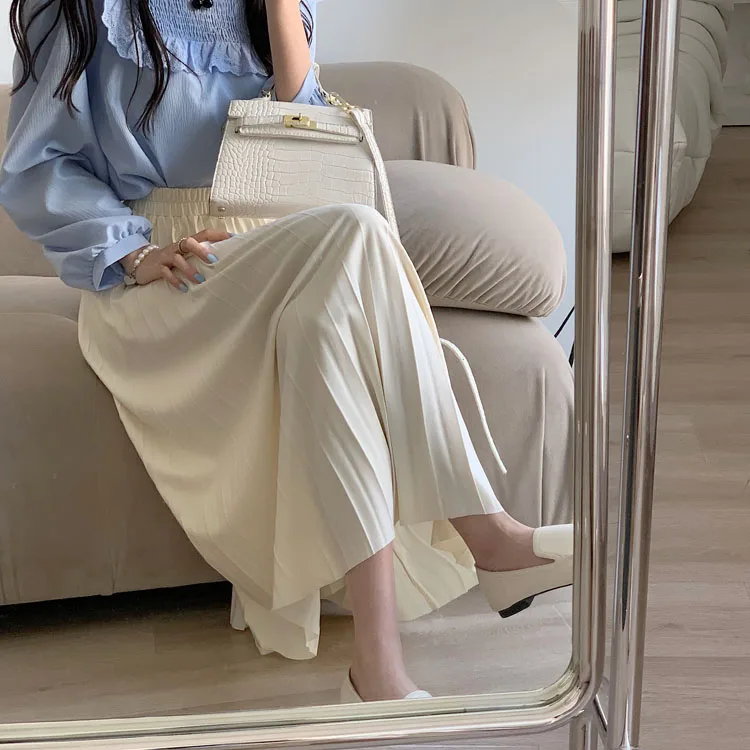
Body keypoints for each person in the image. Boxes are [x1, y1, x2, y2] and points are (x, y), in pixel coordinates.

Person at [0, 0, 574, 703]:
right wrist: (133, 253)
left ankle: (378, 673)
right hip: (162, 277)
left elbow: (301, 123)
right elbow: (36, 165)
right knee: (357, 232)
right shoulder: (83, 9)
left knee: (326, 326)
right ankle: (491, 536)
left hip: (277, 250)